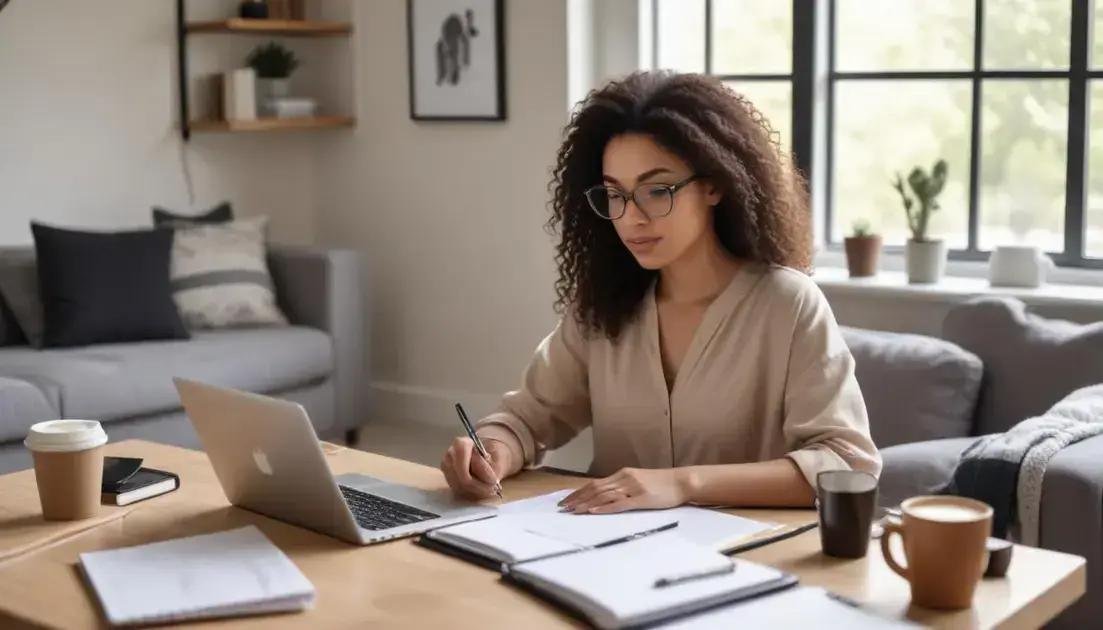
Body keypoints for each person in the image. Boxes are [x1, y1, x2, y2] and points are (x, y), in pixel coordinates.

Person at [440, 71, 880, 514]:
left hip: (747, 560)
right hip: (607, 553)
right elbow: (527, 418)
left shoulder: (789, 305)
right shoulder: (603, 305)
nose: (631, 218)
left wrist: (684, 483)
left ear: (714, 184)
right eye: (615, 195)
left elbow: (845, 464)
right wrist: (493, 448)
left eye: (656, 190)